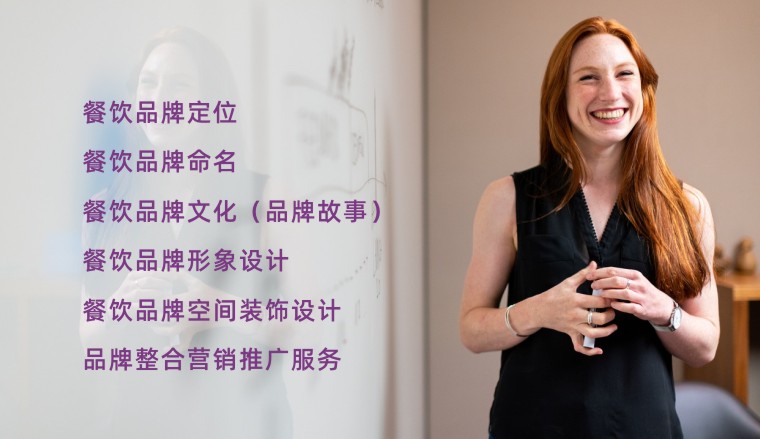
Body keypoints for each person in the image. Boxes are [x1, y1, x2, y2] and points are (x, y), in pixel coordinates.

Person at [459, 17, 719, 438]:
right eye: (588, 77)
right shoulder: (507, 198)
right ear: (559, 95)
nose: (610, 93)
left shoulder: (687, 207)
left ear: (644, 89)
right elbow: (472, 330)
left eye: (624, 74)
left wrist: (662, 310)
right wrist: (538, 311)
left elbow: (705, 346)